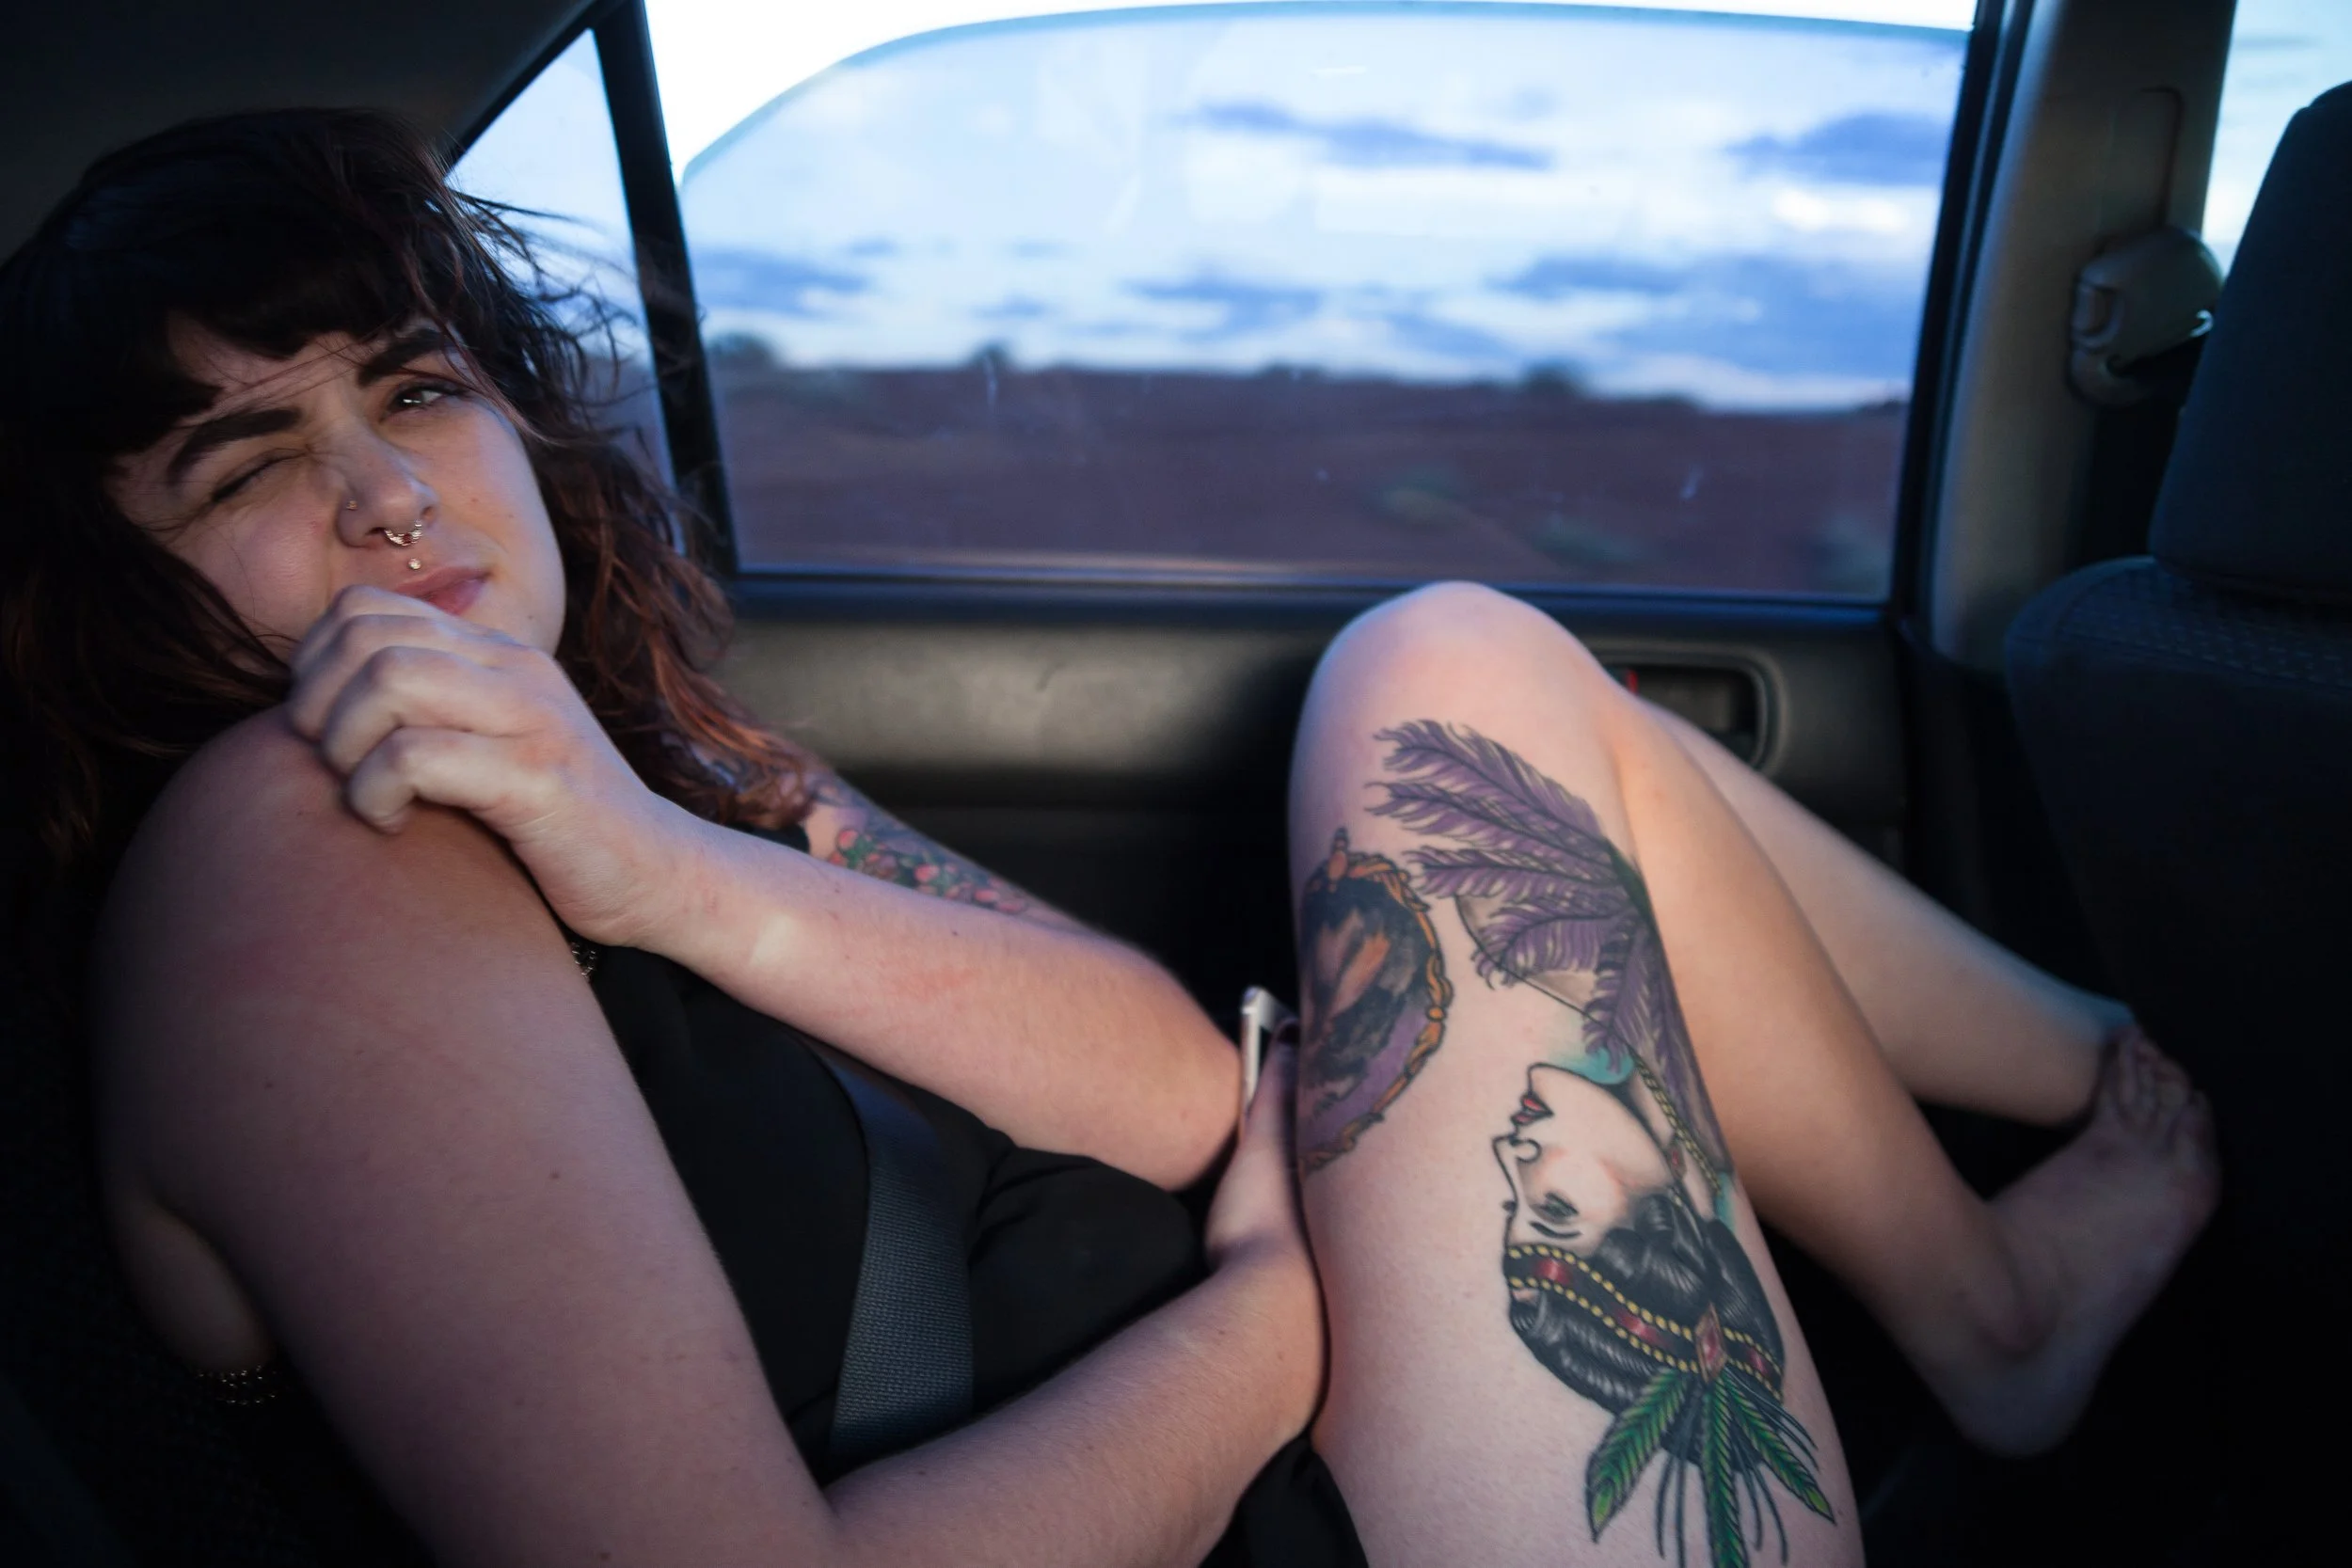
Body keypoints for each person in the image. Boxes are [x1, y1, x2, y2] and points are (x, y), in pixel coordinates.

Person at [0, 109, 2216, 1568]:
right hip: (1264, 1480)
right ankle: (2043, 1232)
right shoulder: (288, 849)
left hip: (1293, 1446)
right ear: (118, 596)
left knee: (1457, 669)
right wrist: (1262, 1320)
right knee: (1447, 673)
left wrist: (660, 860)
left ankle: (2083, 1123)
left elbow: (1169, 1080)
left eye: (408, 386)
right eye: (242, 464)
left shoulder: (641, 766)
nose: (384, 490)